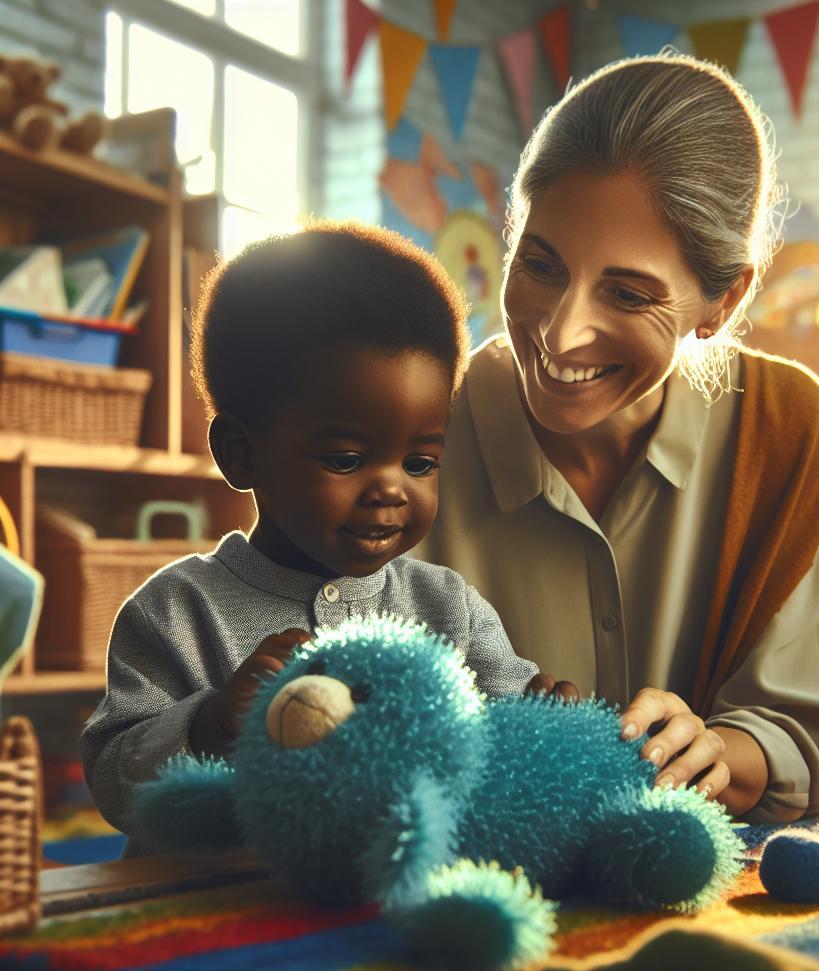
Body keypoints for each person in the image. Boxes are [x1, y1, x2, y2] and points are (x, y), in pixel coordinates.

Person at [412, 52, 819, 822]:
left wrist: (721, 750)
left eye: (627, 293)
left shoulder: (782, 432)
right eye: (541, 263)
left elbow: (806, 731)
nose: (561, 331)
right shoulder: (407, 415)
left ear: (722, 302)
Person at [81, 223, 544, 854]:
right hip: (213, 916)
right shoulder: (177, 611)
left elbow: (505, 739)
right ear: (242, 454)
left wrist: (543, 719)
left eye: (419, 462)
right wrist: (212, 724)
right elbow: (113, 782)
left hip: (384, 914)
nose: (391, 490)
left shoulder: (449, 609)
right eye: (348, 458)